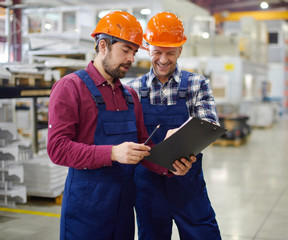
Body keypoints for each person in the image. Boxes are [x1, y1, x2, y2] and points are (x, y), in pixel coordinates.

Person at [47, 11, 194, 240]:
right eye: (125, 50)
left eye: (134, 52)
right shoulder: (70, 87)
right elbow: (57, 148)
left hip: (124, 209)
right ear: (103, 45)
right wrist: (113, 152)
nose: (131, 59)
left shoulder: (130, 96)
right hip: (87, 209)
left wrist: (170, 165)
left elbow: (143, 148)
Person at [127, 12, 222, 240]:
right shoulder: (132, 89)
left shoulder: (197, 84)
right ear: (147, 47)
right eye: (157, 52)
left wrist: (182, 138)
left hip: (187, 183)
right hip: (148, 188)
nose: (163, 59)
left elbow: (209, 123)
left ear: (180, 50)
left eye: (170, 53)